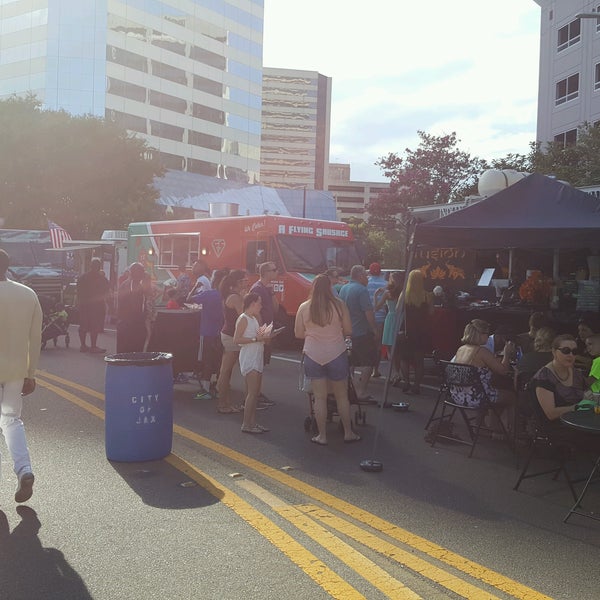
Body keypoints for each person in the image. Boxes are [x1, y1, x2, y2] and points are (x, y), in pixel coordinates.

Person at [295, 274, 361, 445]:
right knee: (341, 396)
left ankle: (322, 435)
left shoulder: (304, 307)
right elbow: (348, 330)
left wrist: (312, 333)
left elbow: (298, 333)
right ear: (330, 287)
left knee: (320, 397)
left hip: (313, 354)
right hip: (336, 353)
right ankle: (348, 432)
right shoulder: (339, 305)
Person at [0, 249, 42, 503]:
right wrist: (31, 373)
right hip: (16, 371)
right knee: (11, 420)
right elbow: (34, 338)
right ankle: (24, 469)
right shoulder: (28, 295)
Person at [452, 320, 516, 430]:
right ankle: (510, 432)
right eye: (487, 333)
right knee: (512, 397)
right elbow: (503, 371)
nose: (488, 336)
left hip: (458, 395)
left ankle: (481, 424)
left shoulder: (461, 349)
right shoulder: (481, 351)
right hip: (476, 397)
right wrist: (507, 354)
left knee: (491, 388)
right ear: (479, 334)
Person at [338, 264, 377, 400]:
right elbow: (368, 312)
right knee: (368, 362)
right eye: (366, 275)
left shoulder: (344, 288)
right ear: (360, 276)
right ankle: (360, 392)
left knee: (350, 362)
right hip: (361, 332)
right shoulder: (361, 290)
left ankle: (349, 388)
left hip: (346, 332)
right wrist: (374, 329)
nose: (367, 278)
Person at [233, 293, 271, 434]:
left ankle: (252, 422)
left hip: (257, 355)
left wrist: (265, 336)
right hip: (249, 356)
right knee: (252, 393)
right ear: (253, 303)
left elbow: (256, 336)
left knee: (253, 393)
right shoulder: (243, 318)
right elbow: (236, 340)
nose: (261, 306)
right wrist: (255, 339)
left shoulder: (254, 318)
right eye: (259, 303)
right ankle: (246, 424)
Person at [189, 269, 228, 400]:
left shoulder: (208, 294)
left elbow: (189, 299)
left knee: (207, 360)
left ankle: (206, 389)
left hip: (207, 332)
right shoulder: (224, 295)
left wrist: (195, 286)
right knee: (219, 360)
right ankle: (219, 385)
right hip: (221, 331)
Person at [396, 269, 433, 394]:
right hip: (421, 331)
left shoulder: (404, 295)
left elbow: (397, 310)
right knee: (419, 360)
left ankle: (406, 382)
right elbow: (431, 312)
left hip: (406, 330)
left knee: (404, 358)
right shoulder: (427, 295)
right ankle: (416, 385)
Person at [216, 270, 248, 413]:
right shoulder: (235, 297)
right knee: (226, 371)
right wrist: (245, 299)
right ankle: (223, 404)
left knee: (227, 371)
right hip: (231, 335)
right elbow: (244, 316)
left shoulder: (231, 296)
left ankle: (225, 402)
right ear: (238, 282)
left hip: (228, 333)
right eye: (244, 281)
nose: (246, 283)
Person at [249, 261, 280, 405]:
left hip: (267, 329)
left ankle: (257, 393)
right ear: (266, 272)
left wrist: (272, 292)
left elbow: (275, 309)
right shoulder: (257, 288)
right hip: (262, 331)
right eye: (274, 270)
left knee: (261, 364)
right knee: (257, 364)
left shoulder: (266, 289)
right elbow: (254, 311)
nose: (277, 272)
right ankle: (254, 395)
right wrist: (262, 331)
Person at [374, 271, 404, 382]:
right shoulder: (403, 291)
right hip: (401, 319)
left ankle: (395, 373)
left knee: (390, 348)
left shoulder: (388, 293)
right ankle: (398, 372)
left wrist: (376, 296)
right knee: (399, 350)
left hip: (391, 318)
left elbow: (376, 308)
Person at [76, 257, 110, 353]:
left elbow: (78, 292)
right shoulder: (101, 279)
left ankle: (83, 345)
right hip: (96, 306)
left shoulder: (82, 277)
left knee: (83, 325)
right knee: (94, 326)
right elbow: (106, 291)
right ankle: (93, 346)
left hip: (84, 305)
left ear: (90, 266)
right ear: (99, 267)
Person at [116, 262, 147, 353]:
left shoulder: (130, 284)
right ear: (135, 273)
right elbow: (135, 306)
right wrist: (142, 320)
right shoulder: (132, 285)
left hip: (126, 322)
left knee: (126, 351)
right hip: (130, 324)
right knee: (131, 351)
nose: (143, 274)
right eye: (142, 272)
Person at [366, 262, 387, 377]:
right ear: (380, 272)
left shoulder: (365, 283)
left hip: (366, 317)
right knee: (378, 344)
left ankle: (366, 368)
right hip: (380, 317)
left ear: (369, 271)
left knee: (367, 343)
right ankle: (375, 370)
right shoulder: (385, 284)